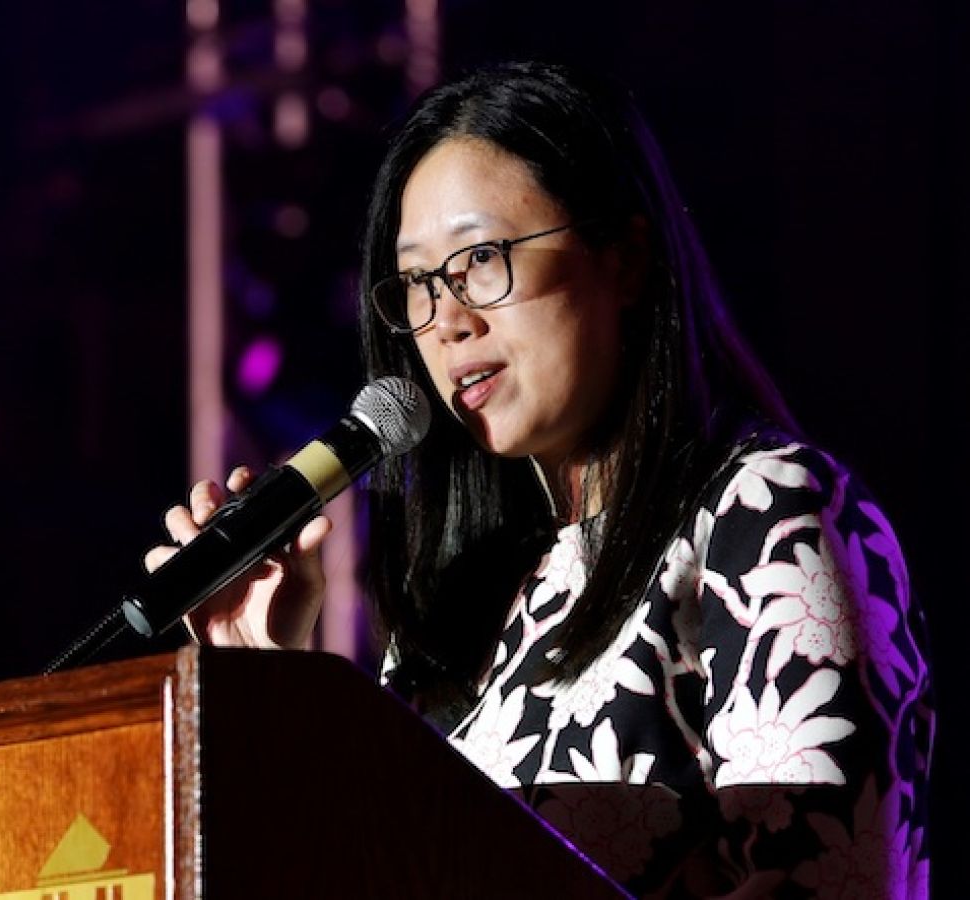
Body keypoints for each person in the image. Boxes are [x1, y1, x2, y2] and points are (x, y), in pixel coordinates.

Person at [147, 62, 933, 897]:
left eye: (482, 258)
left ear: (624, 259)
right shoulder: (456, 610)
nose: (448, 320)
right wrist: (277, 683)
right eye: (417, 282)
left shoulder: (765, 514)